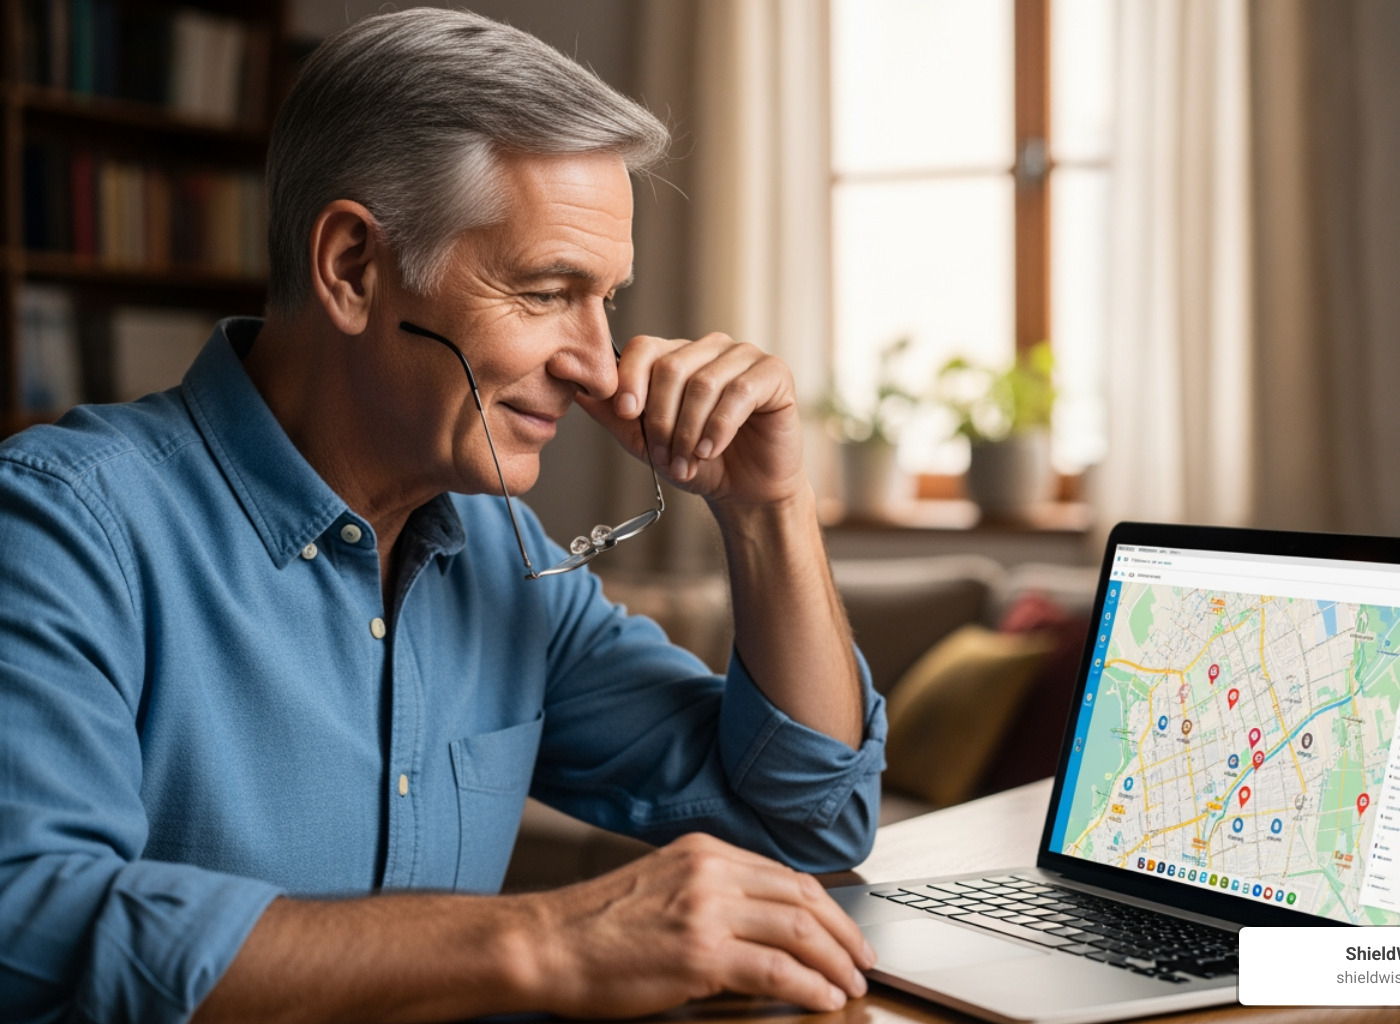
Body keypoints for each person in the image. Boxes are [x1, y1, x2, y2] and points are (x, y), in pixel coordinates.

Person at [0, 10, 886, 1023]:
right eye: (548, 291)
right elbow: (27, 926)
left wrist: (769, 510)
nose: (599, 364)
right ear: (352, 268)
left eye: (607, 301)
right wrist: (543, 938)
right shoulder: (61, 526)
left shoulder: (504, 558)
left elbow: (809, 821)